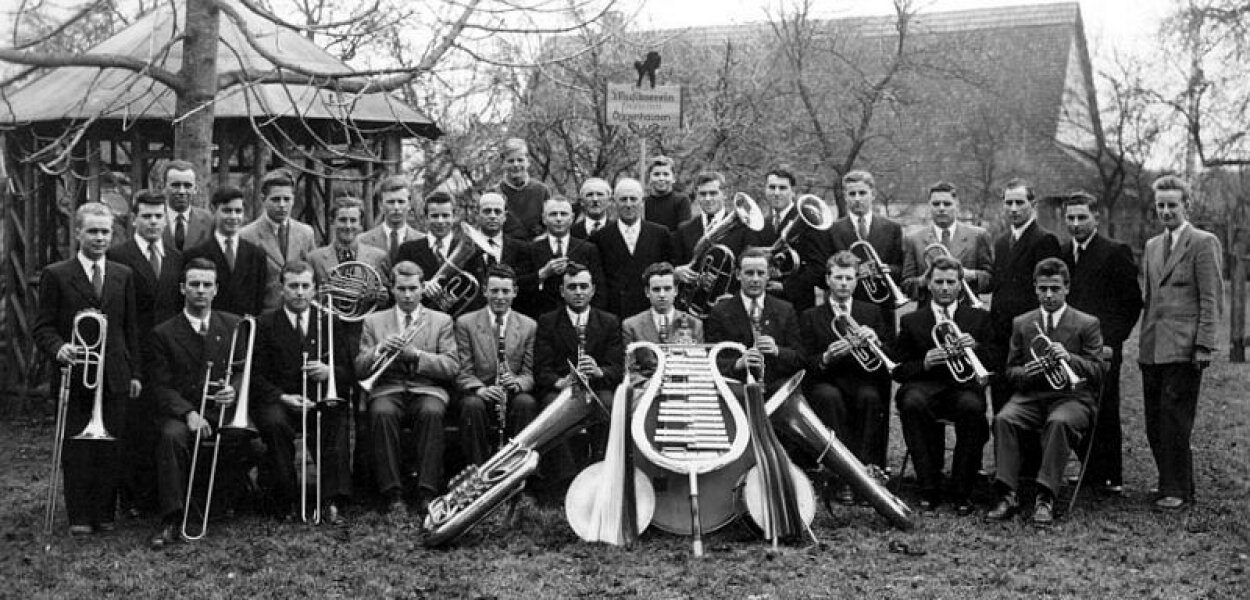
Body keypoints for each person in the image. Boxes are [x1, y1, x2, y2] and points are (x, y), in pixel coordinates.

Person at [34, 202, 141, 536]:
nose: (99, 238)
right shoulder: (57, 274)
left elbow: (130, 328)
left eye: (105, 231)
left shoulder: (123, 274)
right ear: (78, 232)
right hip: (75, 374)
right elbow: (43, 327)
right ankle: (80, 515)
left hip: (115, 375)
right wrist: (59, 348)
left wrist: (135, 372)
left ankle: (105, 513)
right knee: (78, 449)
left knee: (111, 446)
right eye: (92, 231)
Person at [987, 258, 1104, 526]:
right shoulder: (1023, 323)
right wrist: (1030, 371)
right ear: (1035, 289)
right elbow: (1010, 371)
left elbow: (1098, 371)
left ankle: (1045, 496)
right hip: (1031, 397)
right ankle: (1008, 493)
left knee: (1059, 422)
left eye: (1054, 288)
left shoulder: (1087, 323)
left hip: (1072, 399)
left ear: (1067, 289)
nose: (1048, 295)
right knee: (1004, 419)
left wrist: (1071, 358)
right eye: (1042, 289)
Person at [146, 258, 254, 549]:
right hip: (182, 410)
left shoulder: (233, 324)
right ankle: (172, 517)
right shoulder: (163, 332)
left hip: (221, 408)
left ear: (216, 290)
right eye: (194, 284)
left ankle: (224, 501)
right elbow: (160, 386)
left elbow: (243, 368)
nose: (201, 290)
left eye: (207, 285)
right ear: (183, 288)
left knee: (250, 439)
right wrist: (190, 413)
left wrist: (233, 389)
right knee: (172, 438)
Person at [1138, 175, 1223, 510]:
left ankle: (1176, 490)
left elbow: (1211, 298)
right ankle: (1171, 483)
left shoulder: (1203, 242)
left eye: (1172, 204)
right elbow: (1150, 299)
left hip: (1185, 348)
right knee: (1153, 421)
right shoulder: (1151, 246)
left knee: (1175, 419)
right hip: (1152, 346)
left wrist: (1204, 345)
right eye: (1160, 205)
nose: (1165, 211)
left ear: (1187, 205)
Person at [892, 256, 998, 515]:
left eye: (951, 282)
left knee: (973, 408)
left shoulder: (979, 318)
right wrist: (924, 363)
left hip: (962, 388)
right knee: (911, 402)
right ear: (928, 284)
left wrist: (977, 349)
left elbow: (995, 361)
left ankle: (962, 490)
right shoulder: (912, 321)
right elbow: (898, 369)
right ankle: (928, 486)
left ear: (961, 285)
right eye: (939, 281)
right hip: (924, 386)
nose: (945, 287)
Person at [251, 261, 354, 523]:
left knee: (334, 420)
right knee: (274, 424)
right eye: (293, 286)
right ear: (281, 289)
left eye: (305, 286)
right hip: (280, 400)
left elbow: (347, 369)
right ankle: (284, 498)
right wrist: (283, 397)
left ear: (315, 290)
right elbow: (255, 375)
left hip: (319, 396)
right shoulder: (264, 323)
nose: (299, 292)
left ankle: (332, 499)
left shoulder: (329, 320)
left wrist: (329, 371)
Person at [355, 261, 458, 516]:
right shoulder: (374, 321)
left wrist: (417, 355)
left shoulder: (441, 321)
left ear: (423, 288)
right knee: (381, 413)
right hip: (387, 389)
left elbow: (451, 366)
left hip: (427, 389)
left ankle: (427, 491)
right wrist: (380, 349)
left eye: (413, 288)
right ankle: (393, 493)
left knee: (431, 413)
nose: (408, 295)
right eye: (401, 289)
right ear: (392, 289)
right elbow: (359, 367)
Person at [1059, 191, 1143, 495]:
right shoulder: (1064, 253)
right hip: (1071, 345)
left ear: (1097, 217)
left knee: (1105, 406)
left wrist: (1111, 341)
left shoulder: (1115, 251)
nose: (1077, 223)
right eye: (1071, 218)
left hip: (1104, 346)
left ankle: (1110, 475)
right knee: (1076, 402)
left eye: (1082, 217)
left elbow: (1131, 304)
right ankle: (1088, 468)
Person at [107, 190, 184, 516]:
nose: (153, 222)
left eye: (158, 216)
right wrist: (132, 364)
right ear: (134, 218)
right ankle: (133, 498)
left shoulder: (176, 257)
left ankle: (158, 494)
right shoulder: (117, 256)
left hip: (167, 357)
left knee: (161, 425)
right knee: (133, 426)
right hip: (133, 354)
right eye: (147, 216)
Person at [799, 251, 893, 500]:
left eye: (849, 278)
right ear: (828, 280)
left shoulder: (870, 312)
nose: (843, 283)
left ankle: (865, 475)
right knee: (829, 399)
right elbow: (805, 360)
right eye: (838, 277)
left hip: (861, 379)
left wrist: (875, 341)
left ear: (856, 281)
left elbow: (887, 352)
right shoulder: (811, 316)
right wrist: (827, 357)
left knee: (870, 399)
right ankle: (841, 476)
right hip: (826, 381)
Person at [532, 262, 624, 498]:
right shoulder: (548, 321)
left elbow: (617, 368)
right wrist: (559, 382)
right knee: (552, 407)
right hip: (563, 390)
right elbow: (541, 369)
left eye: (584, 286)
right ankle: (566, 480)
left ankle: (600, 470)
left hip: (597, 387)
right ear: (562, 291)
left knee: (610, 404)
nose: (579, 292)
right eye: (572, 287)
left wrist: (599, 371)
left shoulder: (609, 321)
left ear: (593, 289)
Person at [988, 178, 1061, 413]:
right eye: (1008, 203)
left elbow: (1048, 291)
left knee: (1029, 399)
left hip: (1029, 333)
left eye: (1019, 202)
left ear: (1033, 204)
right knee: (1001, 396)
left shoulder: (1044, 239)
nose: (1013, 208)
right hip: (1001, 334)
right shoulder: (1000, 242)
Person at [454, 264, 538, 466]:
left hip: (511, 394)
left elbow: (529, 373)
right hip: (480, 393)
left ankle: (517, 472)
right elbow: (463, 371)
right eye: (494, 291)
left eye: (505, 291)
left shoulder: (528, 325)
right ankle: (479, 472)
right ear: (484, 291)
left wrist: (516, 383)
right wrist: (481, 390)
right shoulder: (465, 323)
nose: (500, 296)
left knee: (526, 403)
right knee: (471, 405)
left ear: (515, 292)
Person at [818, 170, 905, 337]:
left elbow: (901, 269)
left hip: (882, 306)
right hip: (846, 306)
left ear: (873, 195)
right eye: (852, 194)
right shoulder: (832, 230)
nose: (857, 198)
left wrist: (884, 270)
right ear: (845, 196)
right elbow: (824, 272)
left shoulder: (892, 228)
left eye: (862, 193)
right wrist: (856, 273)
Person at [705, 247, 804, 394]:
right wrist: (738, 364)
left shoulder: (785, 309)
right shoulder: (720, 311)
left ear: (768, 275)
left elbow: (800, 358)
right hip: (735, 388)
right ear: (738, 275)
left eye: (761, 273)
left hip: (776, 388)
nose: (755, 279)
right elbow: (712, 359)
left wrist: (777, 351)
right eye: (749, 273)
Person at [589, 177, 675, 318]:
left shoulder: (660, 234)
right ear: (614, 203)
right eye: (623, 199)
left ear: (642, 202)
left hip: (651, 312)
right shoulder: (600, 238)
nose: (628, 204)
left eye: (633, 199)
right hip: (614, 313)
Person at [900, 181, 993, 305]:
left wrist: (972, 275)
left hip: (967, 311)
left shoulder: (978, 236)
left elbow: (991, 280)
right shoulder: (913, 239)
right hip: (928, 314)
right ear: (929, 206)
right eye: (936, 204)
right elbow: (906, 286)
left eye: (947, 204)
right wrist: (924, 280)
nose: (941, 208)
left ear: (957, 205)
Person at [396, 191, 488, 315]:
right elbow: (398, 288)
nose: (440, 221)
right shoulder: (408, 250)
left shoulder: (470, 249)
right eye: (434, 216)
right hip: (421, 322)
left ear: (454, 216)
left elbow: (480, 295)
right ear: (425, 217)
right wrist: (422, 287)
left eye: (445, 215)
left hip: (460, 324)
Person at [184, 186, 268, 317]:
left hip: (244, 328)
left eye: (238, 211)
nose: (233, 217)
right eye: (227, 211)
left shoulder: (256, 255)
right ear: (213, 210)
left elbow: (259, 301)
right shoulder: (195, 254)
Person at [240, 170, 316, 311]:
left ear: (293, 200)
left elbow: (312, 274)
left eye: (286, 199)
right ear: (263, 199)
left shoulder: (306, 233)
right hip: (265, 314)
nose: (282, 205)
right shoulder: (247, 235)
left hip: (299, 311)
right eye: (275, 199)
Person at [516, 197, 603, 319]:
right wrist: (542, 274)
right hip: (541, 317)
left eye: (563, 214)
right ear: (544, 219)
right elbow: (519, 286)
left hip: (579, 317)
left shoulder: (587, 249)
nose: (558, 219)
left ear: (572, 218)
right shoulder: (530, 249)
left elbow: (599, 289)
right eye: (553, 214)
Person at [756, 165, 824, 312]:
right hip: (765, 303)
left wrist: (786, 287)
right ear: (765, 190)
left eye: (782, 188)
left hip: (797, 304)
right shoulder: (762, 223)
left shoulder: (808, 221)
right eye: (772, 187)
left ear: (793, 192)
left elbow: (817, 267)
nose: (776, 193)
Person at [621, 262, 704, 381]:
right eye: (656, 289)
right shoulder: (631, 325)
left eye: (667, 289)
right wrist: (652, 387)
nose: (662, 295)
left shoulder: (694, 324)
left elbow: (697, 368)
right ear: (647, 292)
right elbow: (630, 372)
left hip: (682, 389)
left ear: (675, 290)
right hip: (646, 391)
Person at [672, 171, 756, 287]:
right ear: (697, 195)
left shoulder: (742, 229)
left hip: (728, 299)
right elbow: (673, 263)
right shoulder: (684, 229)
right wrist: (677, 271)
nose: (708, 198)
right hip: (692, 300)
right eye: (703, 194)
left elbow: (747, 268)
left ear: (725, 194)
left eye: (713, 193)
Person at [306, 196, 391, 293]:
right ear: (332, 222)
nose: (348, 226)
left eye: (353, 220)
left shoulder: (378, 257)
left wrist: (383, 297)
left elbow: (389, 295)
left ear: (360, 224)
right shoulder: (314, 259)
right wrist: (318, 294)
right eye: (342, 220)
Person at [358, 175, 423, 264]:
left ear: (409, 204)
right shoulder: (363, 241)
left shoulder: (423, 241)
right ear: (380, 205)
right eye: (390, 202)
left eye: (401, 201)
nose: (396, 207)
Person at [495, 138, 552, 240]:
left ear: (528, 162)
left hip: (536, 250)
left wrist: (544, 237)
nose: (516, 165)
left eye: (520, 160)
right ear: (503, 163)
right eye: (511, 161)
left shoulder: (542, 191)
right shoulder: (494, 194)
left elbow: (552, 225)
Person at [160, 160, 213, 252]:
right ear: (163, 187)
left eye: (187, 186)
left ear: (195, 189)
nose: (181, 191)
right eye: (175, 185)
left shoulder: (209, 220)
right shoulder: (152, 218)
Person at [474, 192, 529, 270]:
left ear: (505, 217)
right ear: (477, 215)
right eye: (487, 211)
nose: (492, 216)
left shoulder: (521, 249)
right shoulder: (467, 246)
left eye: (497, 212)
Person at [642, 155, 692, 232]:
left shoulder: (682, 201)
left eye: (666, 174)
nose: (661, 178)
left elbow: (684, 233)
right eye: (656, 174)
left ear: (673, 178)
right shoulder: (643, 203)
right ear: (649, 178)